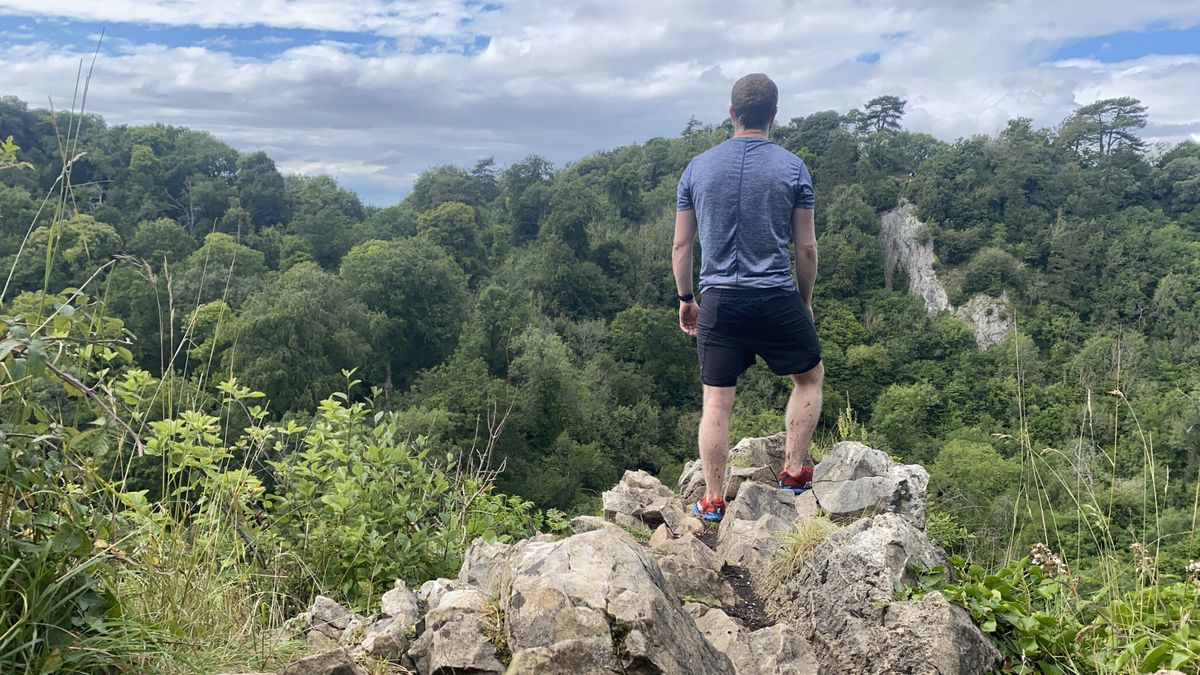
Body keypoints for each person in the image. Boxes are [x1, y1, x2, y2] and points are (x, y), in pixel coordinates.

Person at [672, 73, 823, 522]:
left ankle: (713, 500)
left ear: (732, 113)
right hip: (777, 295)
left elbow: (681, 247)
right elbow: (807, 247)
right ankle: (794, 473)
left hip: (719, 299)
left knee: (716, 403)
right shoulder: (794, 168)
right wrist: (804, 300)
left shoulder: (697, 168)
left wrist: (686, 298)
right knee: (809, 378)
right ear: (774, 115)